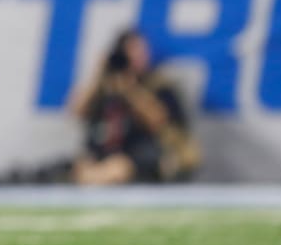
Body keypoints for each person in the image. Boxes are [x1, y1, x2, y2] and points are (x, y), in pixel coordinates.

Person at [68, 29, 201, 185]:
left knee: (119, 168)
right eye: (132, 51)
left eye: (142, 50)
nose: (138, 56)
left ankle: (95, 178)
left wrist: (130, 91)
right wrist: (99, 75)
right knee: (81, 166)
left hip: (143, 154)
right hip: (103, 154)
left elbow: (158, 121)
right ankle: (94, 177)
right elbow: (76, 111)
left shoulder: (158, 85)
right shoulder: (107, 86)